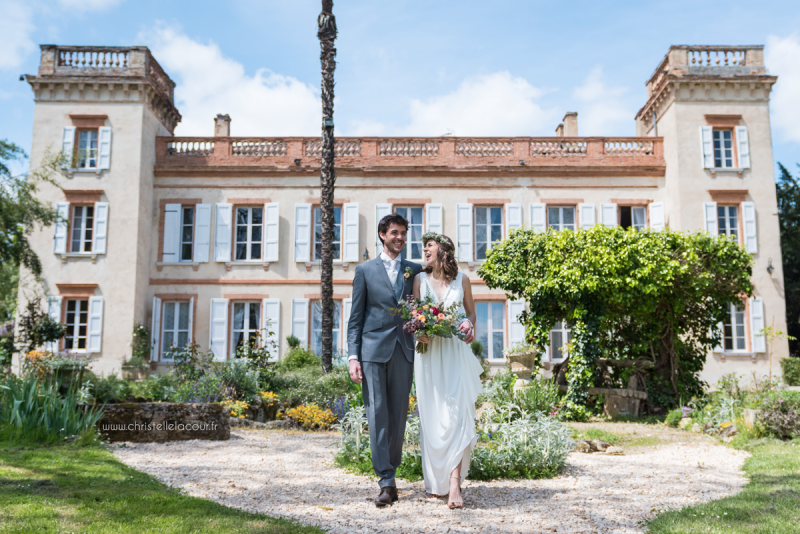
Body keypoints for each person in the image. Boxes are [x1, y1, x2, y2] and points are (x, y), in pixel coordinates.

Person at [347, 213, 423, 508]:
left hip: (404, 350)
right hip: (372, 352)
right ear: (382, 235)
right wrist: (353, 356)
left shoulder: (413, 270)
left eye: (403, 233)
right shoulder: (364, 270)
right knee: (378, 414)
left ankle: (391, 470)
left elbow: (435, 285)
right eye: (395, 233)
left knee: (399, 416)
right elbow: (355, 319)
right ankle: (387, 481)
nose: (400, 238)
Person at [412, 232, 482, 509]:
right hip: (428, 356)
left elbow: (471, 313)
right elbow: (414, 317)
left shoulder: (462, 280)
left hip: (454, 353)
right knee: (433, 418)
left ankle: (454, 483)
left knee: (457, 415)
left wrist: (468, 325)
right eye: (424, 247)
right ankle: (434, 482)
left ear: (443, 250)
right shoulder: (419, 280)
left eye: (429, 246)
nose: (425, 250)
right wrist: (418, 333)